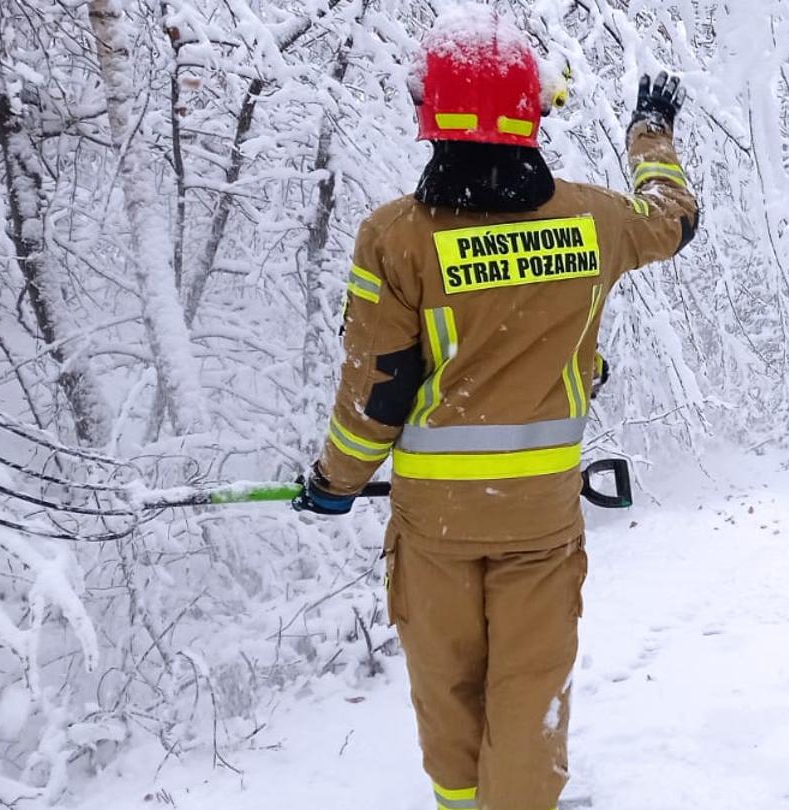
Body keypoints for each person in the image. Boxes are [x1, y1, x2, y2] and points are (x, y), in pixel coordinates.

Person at [290, 9, 698, 809]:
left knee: (446, 685)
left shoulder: (394, 238)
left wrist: (335, 482)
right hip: (540, 520)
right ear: (535, 113)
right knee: (528, 686)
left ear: (428, 116)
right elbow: (675, 219)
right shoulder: (595, 219)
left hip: (434, 524)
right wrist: (651, 133)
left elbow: (377, 390)